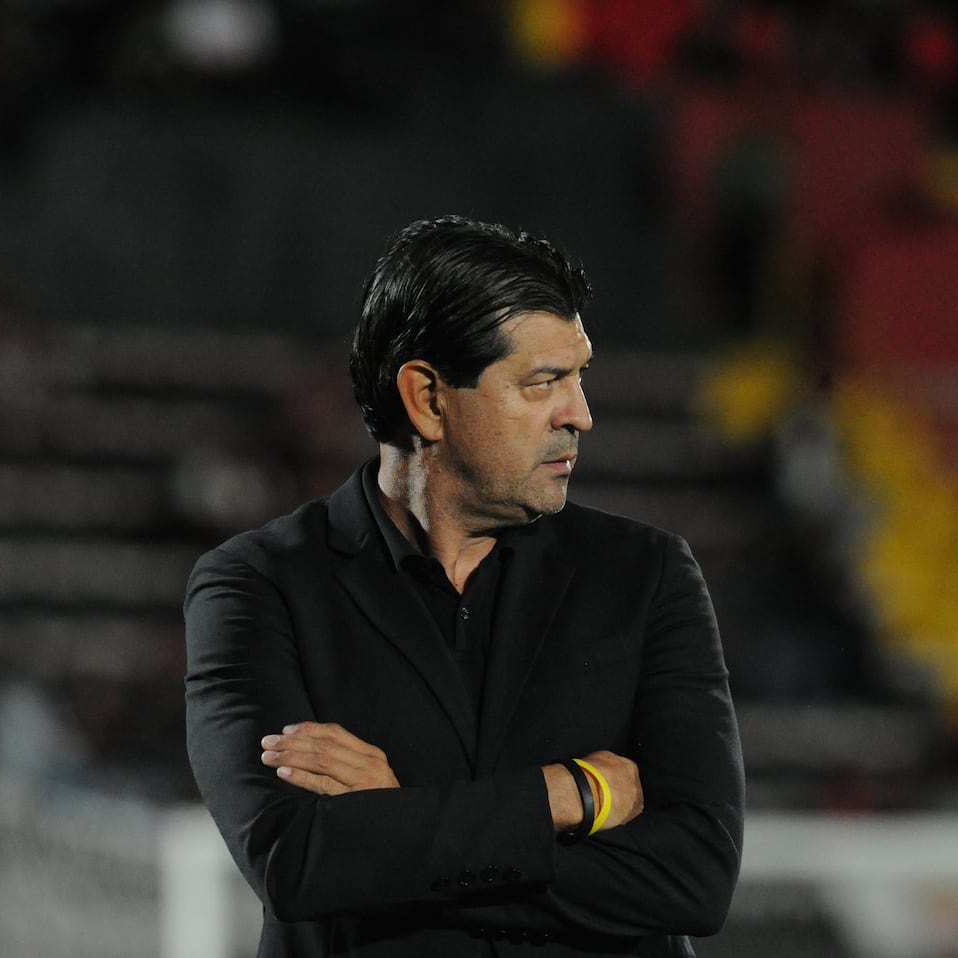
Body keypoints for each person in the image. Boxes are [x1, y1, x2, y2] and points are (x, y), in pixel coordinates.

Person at [184, 215, 744, 957]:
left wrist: (399, 817)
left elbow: (695, 877)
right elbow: (297, 861)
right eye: (543, 383)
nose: (580, 414)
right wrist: (569, 793)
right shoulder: (256, 586)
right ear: (428, 398)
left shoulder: (646, 573)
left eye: (578, 377)